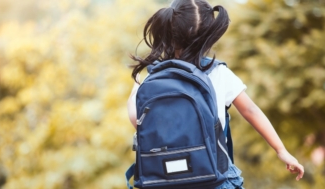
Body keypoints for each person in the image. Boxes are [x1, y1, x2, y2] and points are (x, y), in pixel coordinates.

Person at [127, 0, 304, 188]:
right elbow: (251, 110)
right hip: (214, 178)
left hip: (164, 180)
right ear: (208, 37)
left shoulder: (152, 77)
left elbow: (136, 120)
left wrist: (136, 90)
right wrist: (281, 150)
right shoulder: (218, 72)